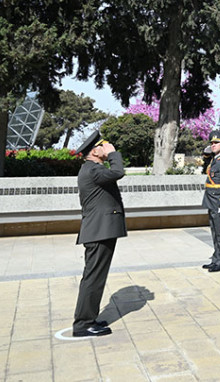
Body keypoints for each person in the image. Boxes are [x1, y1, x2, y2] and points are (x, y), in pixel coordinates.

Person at [73, 130, 126, 337]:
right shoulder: (93, 170)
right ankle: (83, 324)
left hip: (99, 230)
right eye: (104, 145)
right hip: (99, 232)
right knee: (93, 279)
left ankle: (88, 319)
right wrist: (113, 154)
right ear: (95, 151)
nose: (108, 147)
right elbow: (118, 172)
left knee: (95, 278)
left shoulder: (91, 169)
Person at [202, 129, 220, 272]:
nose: (213, 145)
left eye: (216, 143)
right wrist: (207, 153)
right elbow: (205, 165)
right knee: (215, 232)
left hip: (219, 201)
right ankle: (216, 259)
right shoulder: (216, 159)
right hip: (211, 200)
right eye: (212, 143)